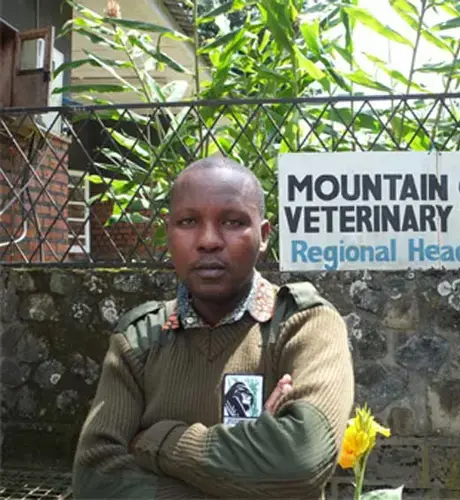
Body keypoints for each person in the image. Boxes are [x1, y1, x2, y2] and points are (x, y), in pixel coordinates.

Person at [71, 155, 355, 499]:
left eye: (233, 222)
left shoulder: (305, 326)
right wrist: (252, 474)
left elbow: (300, 462)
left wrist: (158, 441)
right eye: (188, 221)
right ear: (168, 232)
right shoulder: (140, 340)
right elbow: (95, 478)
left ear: (263, 236)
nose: (208, 240)